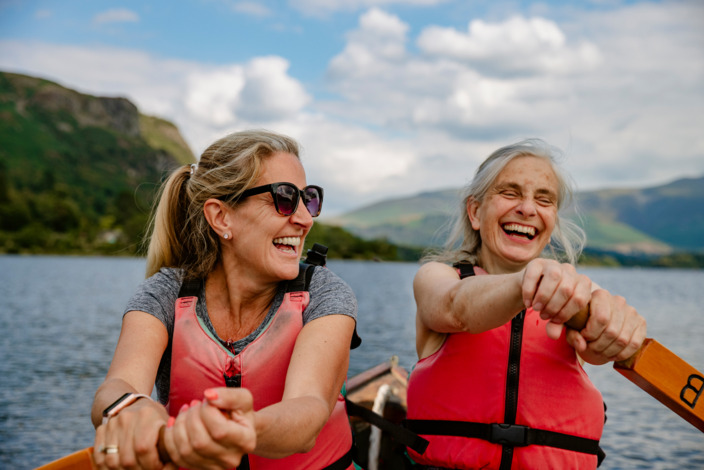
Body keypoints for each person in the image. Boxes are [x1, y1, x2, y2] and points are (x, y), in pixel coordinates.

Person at [91, 129, 358, 470]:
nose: (305, 219)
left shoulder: (325, 294)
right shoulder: (165, 292)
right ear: (221, 217)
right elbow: (116, 386)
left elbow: (308, 408)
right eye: (285, 198)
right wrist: (135, 409)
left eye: (310, 199)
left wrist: (240, 428)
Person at [404, 139, 647, 469]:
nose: (528, 209)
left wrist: (620, 325)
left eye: (543, 199)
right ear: (476, 212)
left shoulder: (578, 295)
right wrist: (527, 280)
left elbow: (596, 348)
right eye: (510, 192)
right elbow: (452, 307)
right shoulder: (436, 277)